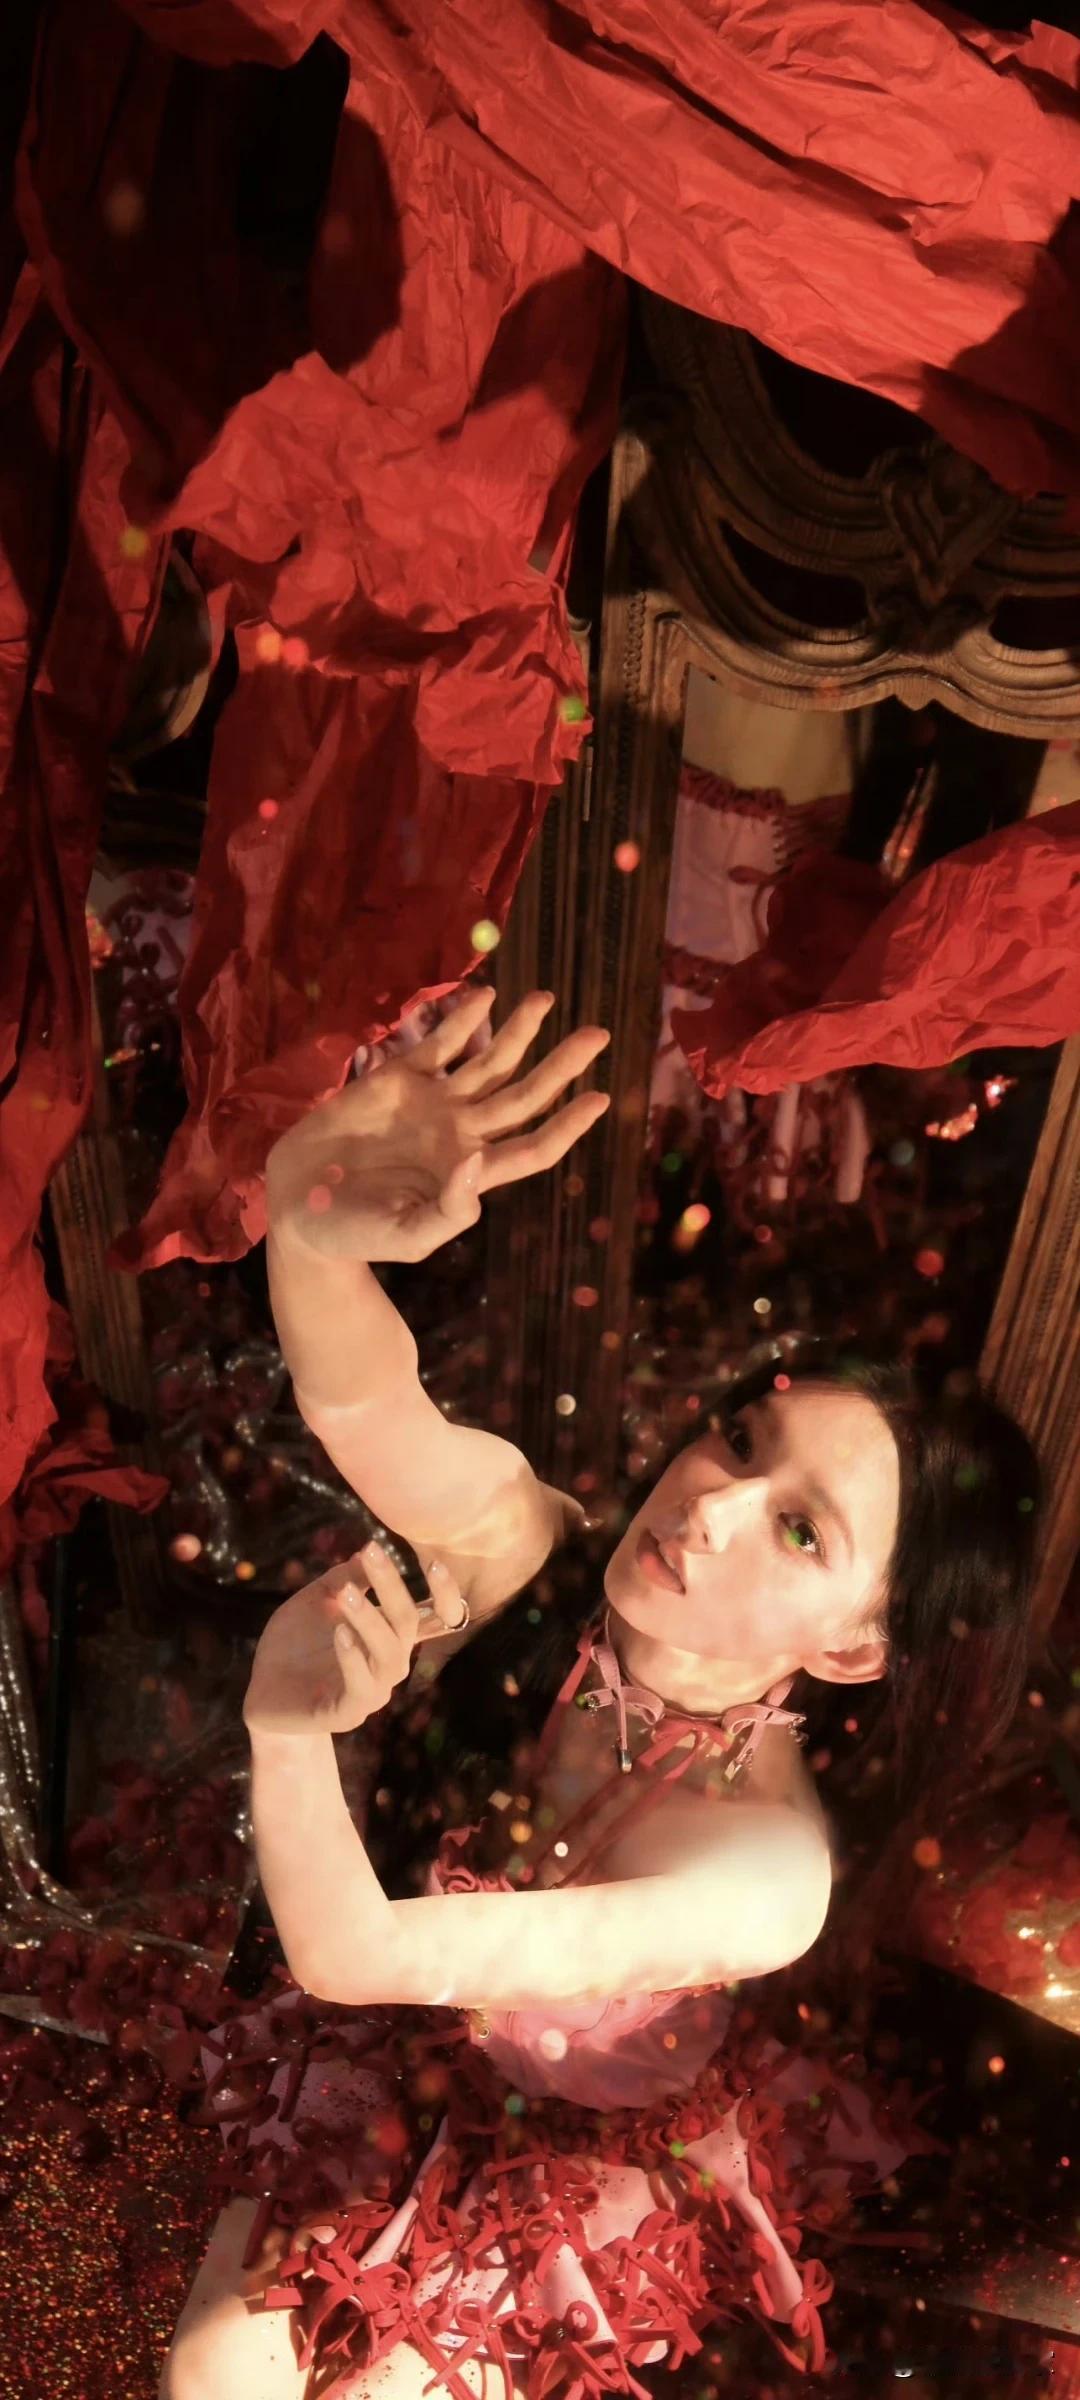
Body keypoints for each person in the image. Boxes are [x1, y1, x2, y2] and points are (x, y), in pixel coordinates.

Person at [160, 987, 1041, 2400]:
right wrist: (311, 1229)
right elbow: (368, 1409)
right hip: (401, 2054)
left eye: (799, 1530)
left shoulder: (769, 1871)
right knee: (214, 2375)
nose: (708, 1505)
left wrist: (285, 1723)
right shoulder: (538, 1548)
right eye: (740, 1440)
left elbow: (348, 1947)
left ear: (853, 1647)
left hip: (566, 2163)